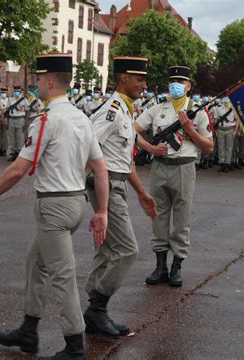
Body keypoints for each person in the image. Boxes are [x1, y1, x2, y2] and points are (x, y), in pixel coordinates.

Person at [0, 53, 109, 360]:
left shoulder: (47, 121)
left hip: (54, 208)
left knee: (62, 275)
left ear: (49, 81)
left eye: (37, 81)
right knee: (36, 263)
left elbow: (18, 169)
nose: (35, 86)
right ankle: (28, 331)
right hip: (75, 203)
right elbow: (99, 169)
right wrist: (101, 211)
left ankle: (75, 345)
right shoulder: (82, 119)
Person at [84, 56, 157, 338]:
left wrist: (141, 192)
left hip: (117, 184)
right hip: (106, 186)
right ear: (123, 78)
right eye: (139, 79)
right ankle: (97, 308)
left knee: (108, 249)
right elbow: (88, 147)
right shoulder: (112, 110)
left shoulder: (125, 111)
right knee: (127, 250)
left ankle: (94, 308)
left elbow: (124, 161)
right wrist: (78, 186)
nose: (144, 84)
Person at [135, 66, 213, 287]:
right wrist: (150, 148)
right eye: (172, 81)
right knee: (158, 215)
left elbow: (208, 146)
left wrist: (190, 129)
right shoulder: (157, 108)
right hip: (160, 166)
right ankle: (160, 265)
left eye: (181, 81)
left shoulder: (197, 111)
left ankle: (177, 265)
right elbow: (133, 129)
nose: (175, 85)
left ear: (189, 86)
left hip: (184, 167)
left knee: (182, 218)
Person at [7, 85, 29, 162]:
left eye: (18, 91)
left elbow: (27, 111)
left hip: (20, 119)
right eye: (15, 91)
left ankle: (20, 154)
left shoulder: (24, 100)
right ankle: (13, 153)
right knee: (12, 136)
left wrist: (26, 121)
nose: (16, 93)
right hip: (12, 119)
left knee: (20, 136)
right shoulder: (10, 99)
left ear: (20, 92)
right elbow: (8, 110)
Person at [0, 87, 9, 156]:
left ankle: (4, 149)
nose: (3, 94)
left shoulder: (8, 100)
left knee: (5, 136)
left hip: (5, 118)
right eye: (2, 92)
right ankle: (0, 149)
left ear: (6, 93)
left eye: (4, 92)